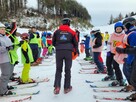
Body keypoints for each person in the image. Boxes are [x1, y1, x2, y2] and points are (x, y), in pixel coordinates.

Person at [52, 18, 79, 94]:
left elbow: (53, 42)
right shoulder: (72, 32)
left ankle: (57, 87)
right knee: (67, 70)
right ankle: (67, 87)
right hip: (68, 52)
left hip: (59, 51)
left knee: (58, 69)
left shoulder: (56, 31)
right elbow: (76, 43)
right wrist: (76, 51)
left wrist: (58, 46)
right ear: (69, 23)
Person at [102, 22, 126, 86]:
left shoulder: (124, 36)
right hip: (111, 52)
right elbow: (109, 43)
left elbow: (124, 44)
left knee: (115, 66)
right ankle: (111, 74)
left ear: (122, 29)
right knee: (108, 63)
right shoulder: (112, 35)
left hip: (118, 54)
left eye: (120, 29)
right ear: (115, 29)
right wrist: (108, 51)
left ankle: (120, 79)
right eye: (117, 29)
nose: (118, 30)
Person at [115, 17, 136, 91]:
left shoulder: (133, 34)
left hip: (131, 58)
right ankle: (131, 86)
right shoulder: (129, 33)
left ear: (128, 25)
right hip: (128, 57)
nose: (123, 28)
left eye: (124, 26)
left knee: (132, 75)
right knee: (126, 72)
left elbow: (134, 49)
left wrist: (122, 50)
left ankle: (133, 86)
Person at [0, 22, 14, 95]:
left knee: (8, 74)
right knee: (5, 74)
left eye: (4, 29)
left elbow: (10, 45)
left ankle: (4, 86)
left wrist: (12, 46)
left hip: (10, 58)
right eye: (2, 29)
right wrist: (6, 48)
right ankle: (2, 91)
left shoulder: (5, 37)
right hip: (3, 59)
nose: (3, 30)